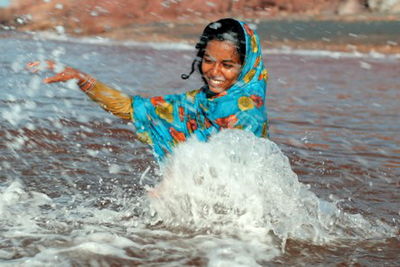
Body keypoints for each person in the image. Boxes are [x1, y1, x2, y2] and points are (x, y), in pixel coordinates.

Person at [27, 18, 269, 162]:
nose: (214, 72)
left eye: (227, 65)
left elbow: (235, 182)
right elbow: (129, 108)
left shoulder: (246, 114)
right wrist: (82, 79)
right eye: (208, 60)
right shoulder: (198, 101)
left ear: (246, 66)